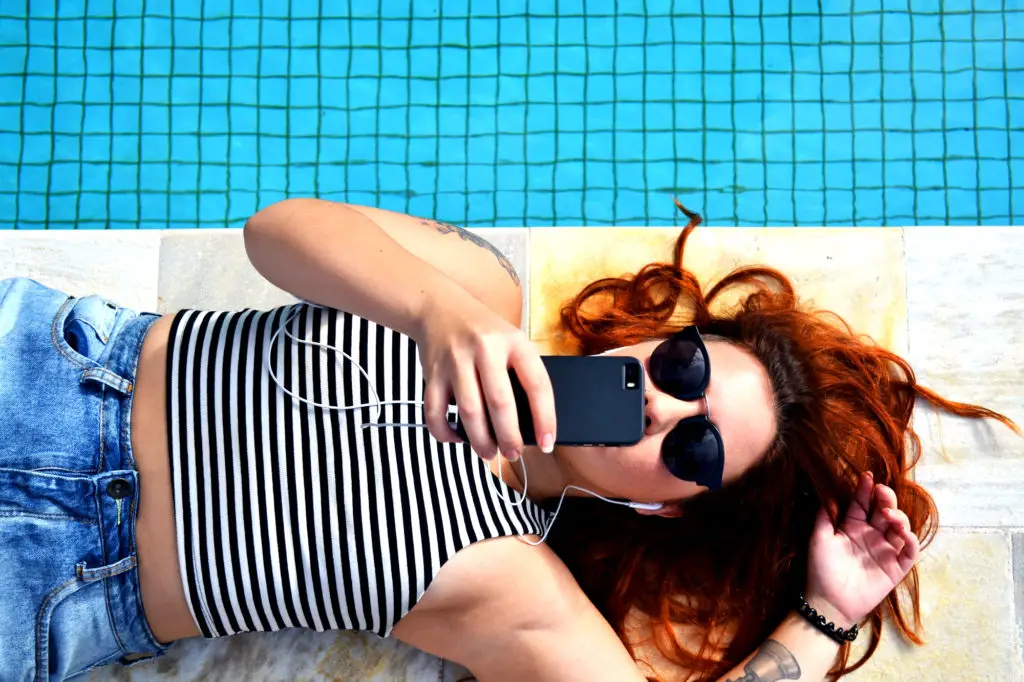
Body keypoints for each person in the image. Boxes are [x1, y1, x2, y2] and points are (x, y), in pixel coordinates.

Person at [0, 199, 1015, 682]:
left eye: (696, 451)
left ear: (668, 503)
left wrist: (821, 615)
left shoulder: (520, 586)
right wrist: (437, 312)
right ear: (663, 337)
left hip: (56, 582)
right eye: (687, 370)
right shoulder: (480, 292)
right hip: (54, 368)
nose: (665, 408)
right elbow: (278, 233)